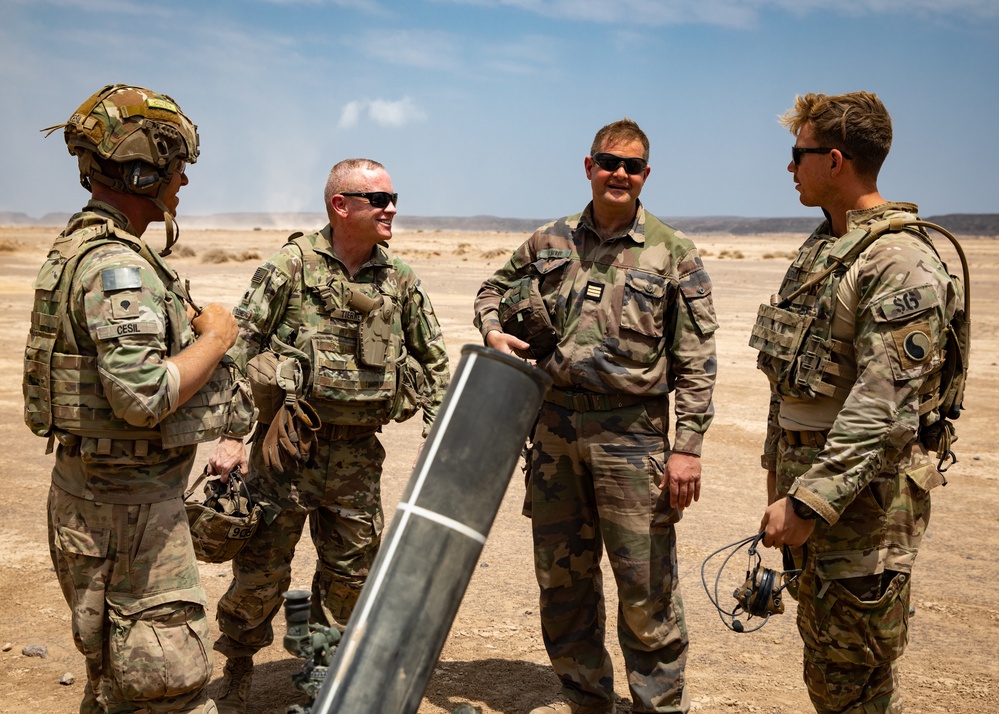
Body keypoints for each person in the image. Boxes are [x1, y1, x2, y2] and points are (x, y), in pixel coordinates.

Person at [474, 118, 718, 714]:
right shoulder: (547, 242)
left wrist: (686, 448)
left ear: (645, 175)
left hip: (632, 437)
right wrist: (492, 331)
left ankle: (657, 706)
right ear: (589, 166)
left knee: (646, 588)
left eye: (631, 166)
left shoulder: (672, 253)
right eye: (609, 162)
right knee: (564, 582)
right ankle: (586, 700)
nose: (619, 174)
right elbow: (490, 291)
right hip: (554, 430)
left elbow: (698, 360)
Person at [24, 84, 249, 713]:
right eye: (175, 168)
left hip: (95, 496)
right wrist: (218, 337)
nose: (181, 183)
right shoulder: (114, 268)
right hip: (130, 512)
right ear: (141, 169)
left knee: (115, 681)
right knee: (166, 688)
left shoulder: (78, 250)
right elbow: (143, 395)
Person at [205, 158, 451, 713]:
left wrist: (443, 444)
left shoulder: (400, 280)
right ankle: (239, 660)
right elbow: (239, 350)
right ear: (342, 206)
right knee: (261, 571)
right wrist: (230, 436)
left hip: (358, 456)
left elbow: (434, 364)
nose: (391, 208)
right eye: (379, 198)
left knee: (351, 574)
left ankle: (322, 674)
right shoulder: (289, 267)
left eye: (394, 198)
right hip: (287, 449)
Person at [753, 92, 960, 712]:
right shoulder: (824, 250)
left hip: (863, 513)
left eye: (799, 154)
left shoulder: (899, 263)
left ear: (835, 160)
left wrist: (808, 504)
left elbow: (881, 408)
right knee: (832, 674)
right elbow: (791, 380)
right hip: (813, 499)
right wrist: (779, 481)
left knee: (853, 681)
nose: (790, 168)